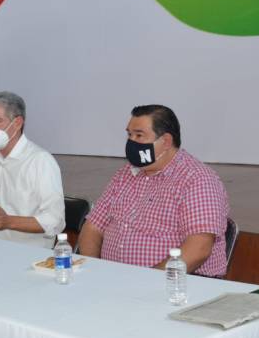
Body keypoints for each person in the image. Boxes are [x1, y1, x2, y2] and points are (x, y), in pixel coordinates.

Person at [78, 104, 230, 276]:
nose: (131, 142)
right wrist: (94, 271)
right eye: (129, 135)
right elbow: (93, 227)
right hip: (114, 280)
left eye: (139, 135)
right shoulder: (125, 174)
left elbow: (199, 248)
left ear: (166, 141)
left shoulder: (197, 179)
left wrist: (148, 281)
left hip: (175, 284)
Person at [0, 91, 65, 248]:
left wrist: (9, 222)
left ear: (17, 123)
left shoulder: (40, 161)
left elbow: (55, 221)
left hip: (31, 255)